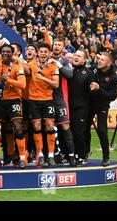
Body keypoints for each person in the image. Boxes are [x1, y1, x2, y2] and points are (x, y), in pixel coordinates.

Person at [0, 44, 27, 169]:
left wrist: (8, 80)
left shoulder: (17, 66)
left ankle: (22, 158)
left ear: (12, 53)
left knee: (18, 127)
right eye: (3, 51)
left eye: (8, 52)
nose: (5, 53)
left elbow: (22, 85)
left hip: (14, 100)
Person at [27, 43, 61, 167]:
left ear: (49, 53)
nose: (43, 53)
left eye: (45, 51)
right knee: (36, 127)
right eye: (41, 51)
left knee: (50, 126)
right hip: (33, 100)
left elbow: (56, 84)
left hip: (48, 100)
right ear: (37, 53)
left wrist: (42, 78)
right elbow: (25, 71)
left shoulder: (53, 65)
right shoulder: (31, 65)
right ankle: (40, 155)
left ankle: (51, 155)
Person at [86, 52, 117, 166]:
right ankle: (85, 152)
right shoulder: (94, 68)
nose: (99, 61)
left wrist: (99, 88)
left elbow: (112, 96)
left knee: (102, 130)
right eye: (99, 59)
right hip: (90, 103)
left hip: (103, 105)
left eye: (102, 60)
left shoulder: (114, 77)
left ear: (109, 63)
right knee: (85, 127)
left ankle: (106, 157)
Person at [50, 37, 76, 166]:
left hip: (60, 99)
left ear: (63, 47)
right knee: (49, 127)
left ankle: (71, 156)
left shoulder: (65, 61)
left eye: (59, 45)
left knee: (65, 126)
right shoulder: (46, 59)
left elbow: (70, 75)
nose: (56, 46)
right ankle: (54, 155)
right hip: (46, 98)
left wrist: (59, 65)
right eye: (55, 44)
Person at [68, 50, 94, 166]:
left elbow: (92, 91)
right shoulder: (68, 70)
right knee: (70, 133)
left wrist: (94, 88)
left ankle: (82, 156)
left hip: (81, 108)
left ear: (84, 60)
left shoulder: (88, 73)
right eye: (75, 55)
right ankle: (71, 155)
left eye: (79, 56)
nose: (76, 57)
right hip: (68, 108)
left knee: (79, 133)